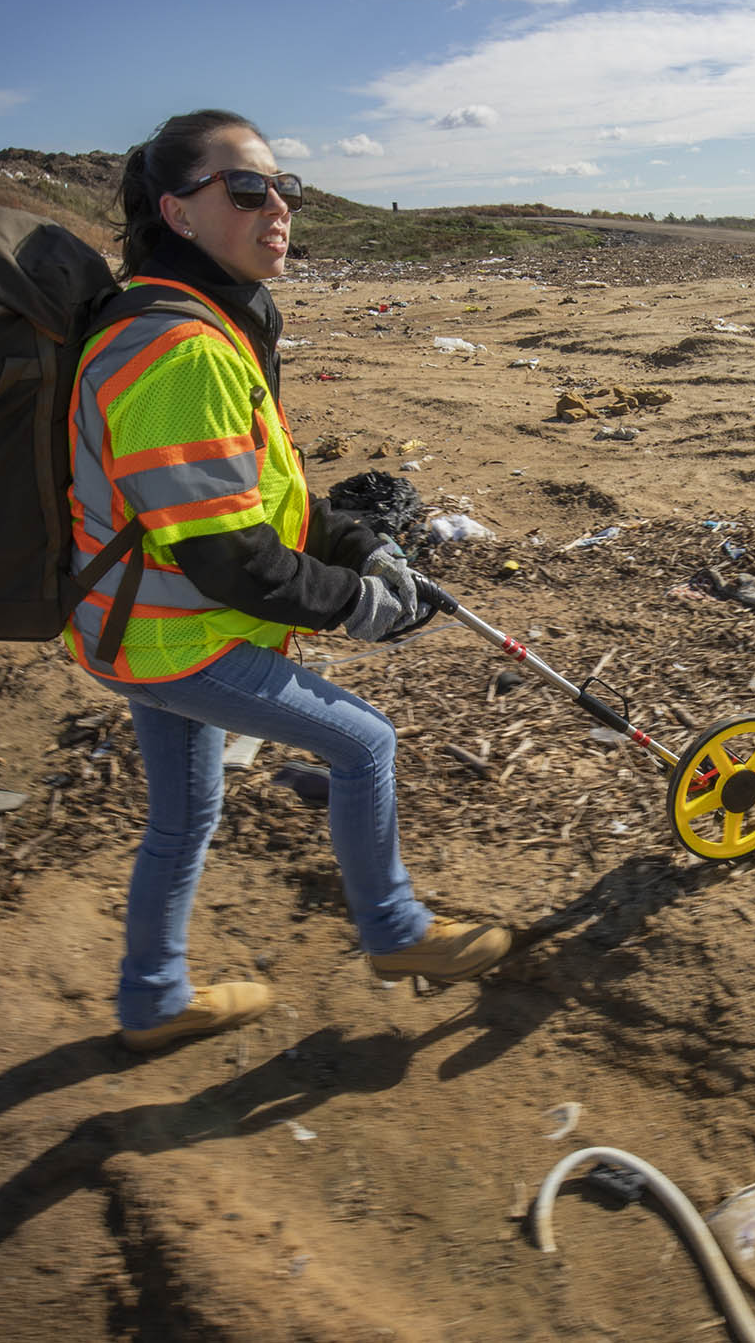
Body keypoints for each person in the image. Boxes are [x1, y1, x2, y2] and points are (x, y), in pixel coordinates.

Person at [66, 108, 510, 1053]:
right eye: (245, 189)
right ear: (177, 214)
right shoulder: (177, 351)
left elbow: (258, 496)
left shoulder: (198, 324)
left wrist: (355, 542)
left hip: (135, 628)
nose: (278, 207)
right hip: (175, 638)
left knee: (187, 810)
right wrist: (361, 605)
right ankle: (396, 935)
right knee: (364, 745)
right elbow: (227, 558)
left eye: (285, 188)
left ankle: (151, 1000)